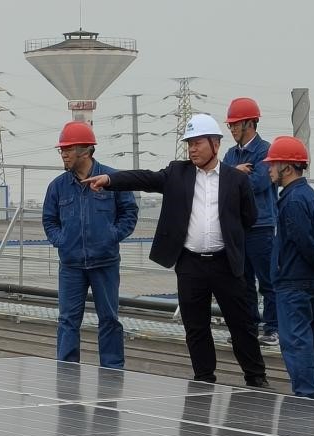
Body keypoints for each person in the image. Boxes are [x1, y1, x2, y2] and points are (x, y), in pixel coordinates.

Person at [84, 114, 268, 388]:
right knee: (196, 326)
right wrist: (110, 180)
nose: (192, 149)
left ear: (215, 144)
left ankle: (256, 377)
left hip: (226, 264)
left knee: (241, 324)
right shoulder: (177, 173)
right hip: (191, 264)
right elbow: (145, 178)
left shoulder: (235, 179)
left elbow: (249, 217)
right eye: (189, 144)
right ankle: (204, 379)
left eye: (197, 143)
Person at [41, 121, 138, 370]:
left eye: (67, 149)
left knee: (109, 319)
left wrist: (111, 236)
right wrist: (62, 241)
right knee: (67, 320)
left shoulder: (112, 179)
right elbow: (49, 220)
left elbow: (129, 213)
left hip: (105, 262)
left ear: (85, 150)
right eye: (61, 149)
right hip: (71, 265)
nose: (63, 154)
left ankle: (112, 371)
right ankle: (66, 371)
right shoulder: (57, 187)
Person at [265, 136, 314, 399]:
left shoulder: (292, 200)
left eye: (273, 163)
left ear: (287, 166)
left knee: (296, 342)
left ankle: (306, 396)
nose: (269, 169)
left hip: (293, 281)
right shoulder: (311, 197)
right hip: (310, 282)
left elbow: (304, 242)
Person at [224, 97, 279, 346]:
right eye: (230, 125)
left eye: (235, 124)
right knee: (242, 281)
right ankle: (248, 327)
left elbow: (257, 183)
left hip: (261, 226)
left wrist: (231, 174)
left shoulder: (266, 151)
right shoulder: (230, 154)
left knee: (267, 280)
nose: (232, 129)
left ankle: (272, 328)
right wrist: (235, 172)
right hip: (238, 226)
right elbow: (221, 183)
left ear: (249, 123)